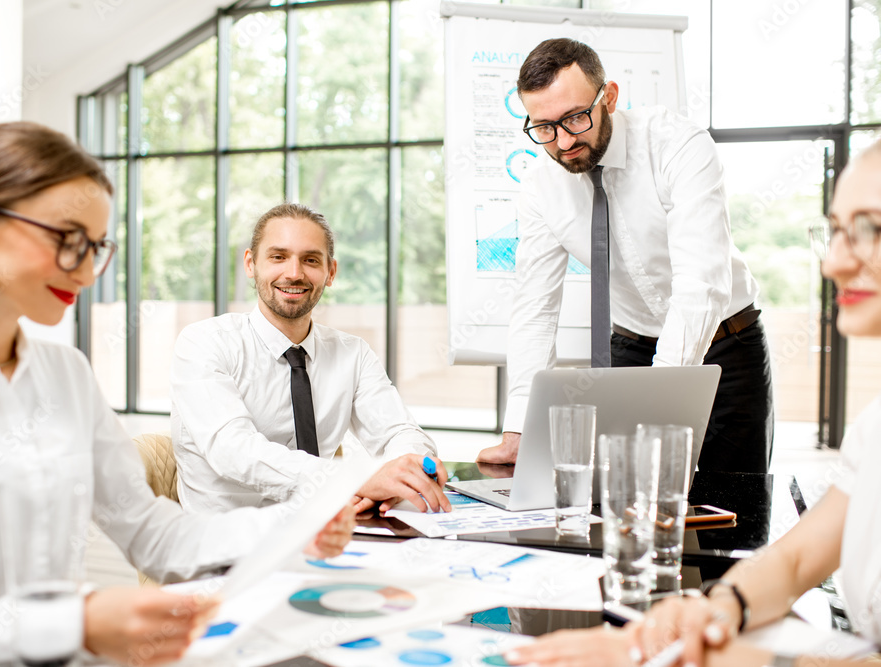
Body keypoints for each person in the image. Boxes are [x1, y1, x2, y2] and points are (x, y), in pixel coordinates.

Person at [0, 122, 354, 667]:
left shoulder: (64, 375)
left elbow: (155, 536)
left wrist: (291, 525)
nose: (85, 271)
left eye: (96, 247)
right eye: (67, 241)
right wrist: (76, 624)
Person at [504, 139, 881, 667]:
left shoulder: (674, 146)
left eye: (870, 230)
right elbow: (795, 561)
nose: (835, 261)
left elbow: (701, 284)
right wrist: (712, 611)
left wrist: (695, 658)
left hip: (721, 339)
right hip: (637, 340)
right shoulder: (873, 429)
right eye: (835, 231)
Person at [477, 38, 773, 474]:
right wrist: (521, 426)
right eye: (543, 128)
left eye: (575, 118)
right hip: (631, 350)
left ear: (609, 97)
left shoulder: (678, 145)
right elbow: (535, 309)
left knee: (734, 513)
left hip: (725, 347)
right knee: (622, 504)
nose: (562, 142)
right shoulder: (541, 186)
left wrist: (659, 401)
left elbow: (700, 286)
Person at [170, 203, 452, 516]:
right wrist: (352, 481)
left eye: (311, 260)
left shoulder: (352, 353)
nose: (294, 273)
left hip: (325, 530)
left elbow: (403, 434)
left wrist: (400, 476)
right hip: (228, 546)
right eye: (278, 257)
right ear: (251, 264)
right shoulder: (204, 342)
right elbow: (233, 451)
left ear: (330, 272)